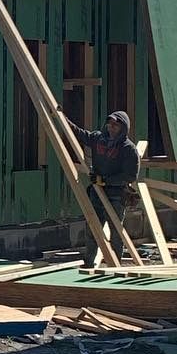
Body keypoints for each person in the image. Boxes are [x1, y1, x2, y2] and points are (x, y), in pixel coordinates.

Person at [56, 107, 141, 265]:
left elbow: (130, 176)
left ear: (123, 128)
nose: (111, 127)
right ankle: (89, 261)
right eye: (109, 124)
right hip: (97, 191)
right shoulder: (98, 139)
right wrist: (62, 117)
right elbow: (79, 133)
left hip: (116, 194)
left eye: (115, 125)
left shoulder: (128, 149)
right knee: (93, 228)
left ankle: (115, 263)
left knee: (115, 230)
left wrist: (106, 180)